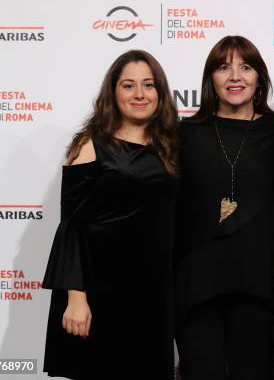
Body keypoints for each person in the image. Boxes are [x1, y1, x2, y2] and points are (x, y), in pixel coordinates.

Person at [42, 50, 179, 379]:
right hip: (100, 293)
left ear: (160, 91)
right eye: (129, 85)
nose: (140, 94)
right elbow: (71, 227)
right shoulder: (90, 146)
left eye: (148, 85)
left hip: (153, 296)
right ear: (113, 92)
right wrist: (76, 298)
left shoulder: (172, 147)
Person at [174, 35, 274, 380]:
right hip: (196, 287)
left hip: (258, 286)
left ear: (259, 77)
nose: (235, 76)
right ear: (210, 78)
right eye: (223, 67)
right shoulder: (184, 133)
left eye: (245, 66)